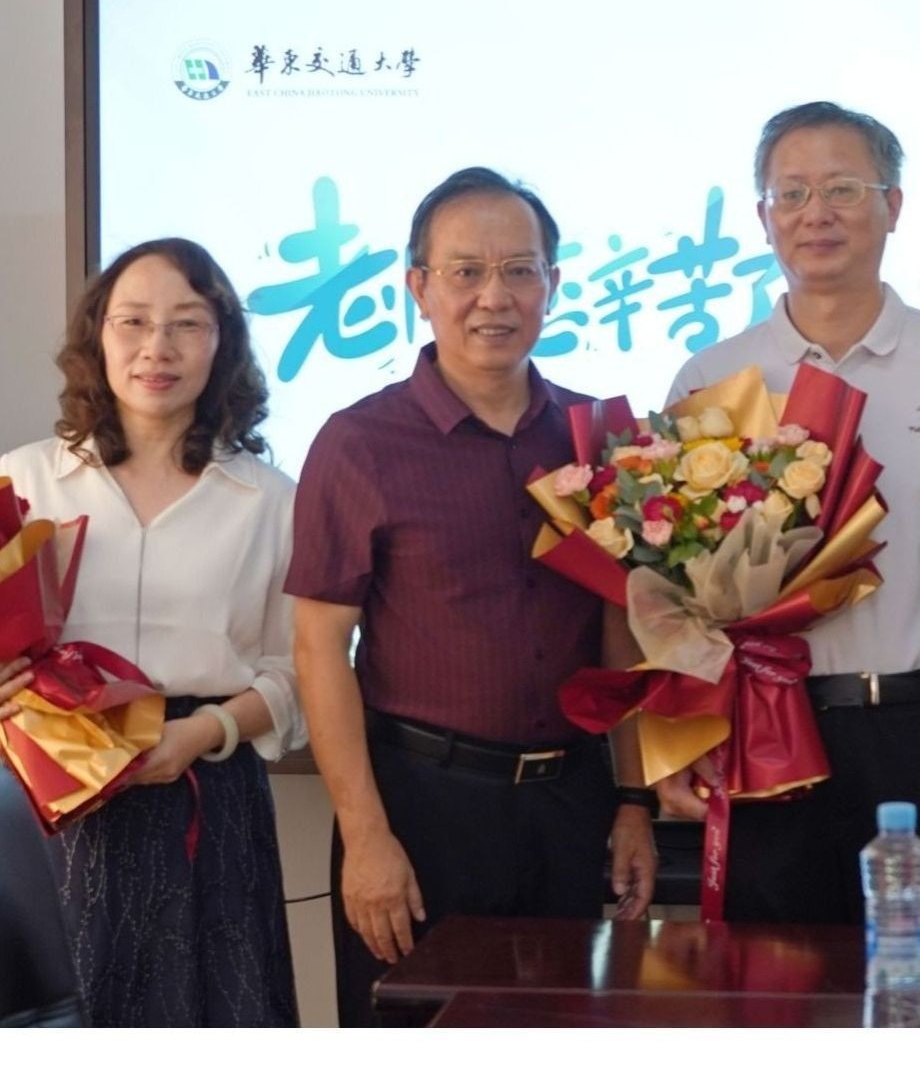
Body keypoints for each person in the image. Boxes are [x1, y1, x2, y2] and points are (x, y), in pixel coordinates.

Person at [287, 166, 657, 1027]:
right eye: (466, 272)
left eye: (519, 270)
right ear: (419, 286)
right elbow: (318, 649)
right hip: (422, 811)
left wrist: (633, 801)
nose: (495, 296)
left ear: (552, 283)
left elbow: (623, 634)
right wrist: (365, 836)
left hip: (570, 807)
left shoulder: (603, 436)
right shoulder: (358, 441)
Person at [657, 102, 920, 927]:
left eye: (842, 189)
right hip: (766, 729)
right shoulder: (712, 377)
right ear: (763, 216)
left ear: (893, 205)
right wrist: (676, 739)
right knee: (771, 984)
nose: (815, 214)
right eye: (791, 193)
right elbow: (670, 595)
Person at [0, 237, 304, 1026]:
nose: (156, 347)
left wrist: (204, 732)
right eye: (132, 321)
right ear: (97, 337)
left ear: (222, 341)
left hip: (205, 788)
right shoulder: (22, 479)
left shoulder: (272, 499)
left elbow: (298, 670)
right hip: (50, 792)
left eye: (186, 323)